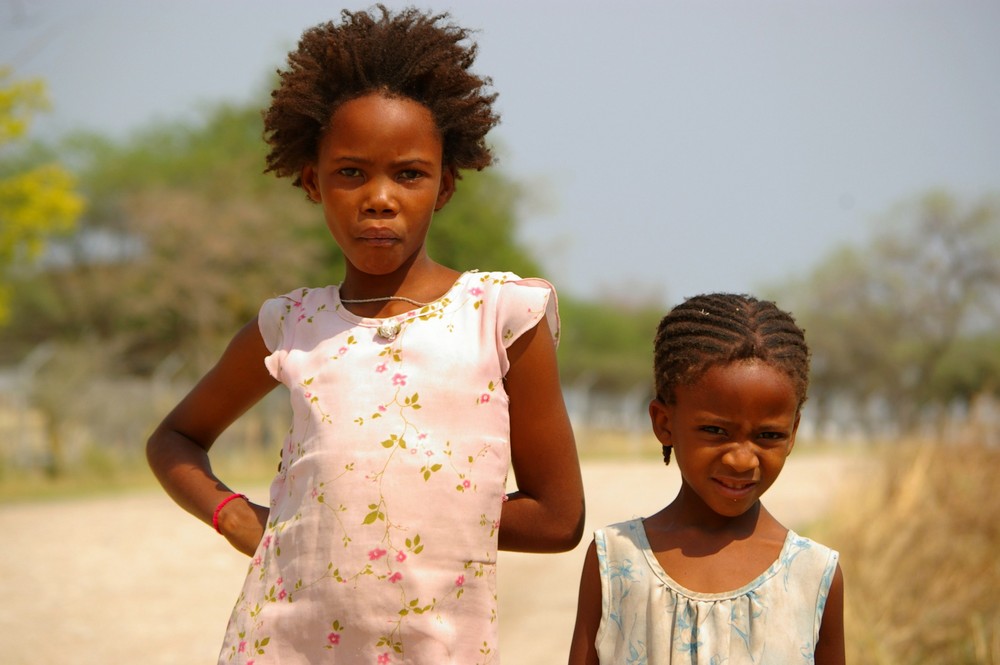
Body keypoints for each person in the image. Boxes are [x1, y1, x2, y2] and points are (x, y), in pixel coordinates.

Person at [146, 6, 585, 663]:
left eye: (409, 174)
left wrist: (416, 516)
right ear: (313, 181)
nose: (380, 197)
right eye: (351, 173)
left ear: (444, 186)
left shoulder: (502, 316)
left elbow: (559, 518)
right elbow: (174, 438)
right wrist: (236, 516)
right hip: (280, 642)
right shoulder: (290, 325)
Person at [567, 293, 845, 665]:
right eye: (715, 430)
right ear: (664, 424)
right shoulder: (616, 561)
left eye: (768, 435)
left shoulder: (813, 576)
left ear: (793, 432)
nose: (741, 459)